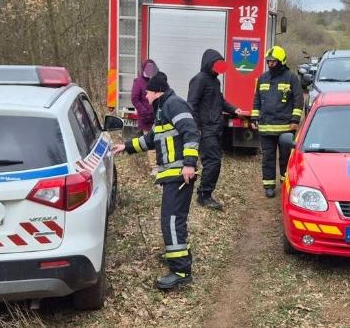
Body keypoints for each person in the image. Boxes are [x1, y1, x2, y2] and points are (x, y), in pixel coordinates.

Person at [112, 72, 200, 290]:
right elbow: (152, 139)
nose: (146, 97)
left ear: (157, 91)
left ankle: (180, 271)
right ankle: (180, 257)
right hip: (173, 174)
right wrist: (127, 146)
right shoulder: (163, 108)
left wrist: (189, 163)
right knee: (174, 218)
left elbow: (191, 132)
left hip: (180, 173)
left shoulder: (174, 105)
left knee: (171, 220)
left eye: (148, 93)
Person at [187, 49, 244, 210]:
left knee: (214, 162)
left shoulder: (214, 81)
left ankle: (205, 193)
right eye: (217, 64)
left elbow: (220, 100)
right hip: (205, 130)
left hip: (215, 128)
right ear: (209, 63)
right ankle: (204, 195)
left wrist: (235, 109)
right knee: (213, 162)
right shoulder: (199, 80)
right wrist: (196, 128)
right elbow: (192, 105)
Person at [250, 45, 303, 198]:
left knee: (285, 157)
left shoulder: (291, 78)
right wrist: (254, 117)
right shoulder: (262, 78)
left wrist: (295, 120)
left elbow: (298, 100)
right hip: (266, 127)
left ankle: (285, 183)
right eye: (268, 61)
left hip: (285, 127)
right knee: (268, 158)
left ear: (281, 61)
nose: (270, 64)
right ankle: (269, 186)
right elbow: (257, 100)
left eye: (273, 61)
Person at [132, 59, 159, 171]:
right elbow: (134, 99)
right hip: (146, 118)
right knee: (150, 142)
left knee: (159, 140)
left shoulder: (156, 80)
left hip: (157, 117)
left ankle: (160, 163)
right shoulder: (138, 82)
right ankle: (154, 167)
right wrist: (144, 112)